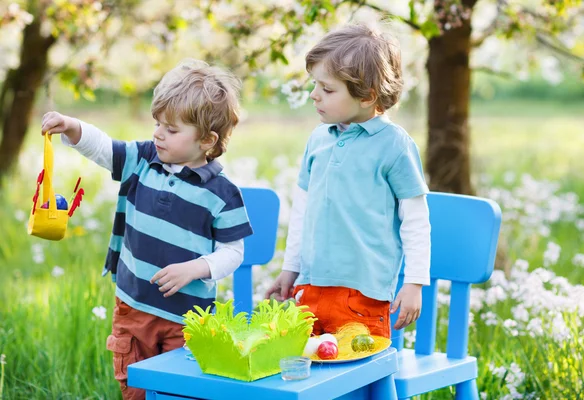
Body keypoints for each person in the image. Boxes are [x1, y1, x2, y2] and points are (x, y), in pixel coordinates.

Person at [41, 59, 253, 400]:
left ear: (207, 140)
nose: (158, 134)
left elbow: (233, 252)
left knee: (181, 392)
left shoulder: (222, 194)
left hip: (187, 319)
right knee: (136, 390)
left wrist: (197, 268)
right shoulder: (142, 160)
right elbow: (103, 148)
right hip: (133, 307)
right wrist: (71, 126)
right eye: (157, 123)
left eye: (171, 129)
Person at [265, 25, 431, 339]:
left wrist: (414, 282)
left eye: (327, 90)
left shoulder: (394, 146)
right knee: (311, 373)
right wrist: (291, 267)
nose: (314, 95)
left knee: (359, 376)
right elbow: (302, 212)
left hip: (362, 296)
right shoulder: (318, 140)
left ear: (368, 96)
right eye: (315, 85)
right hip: (309, 289)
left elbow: (416, 220)